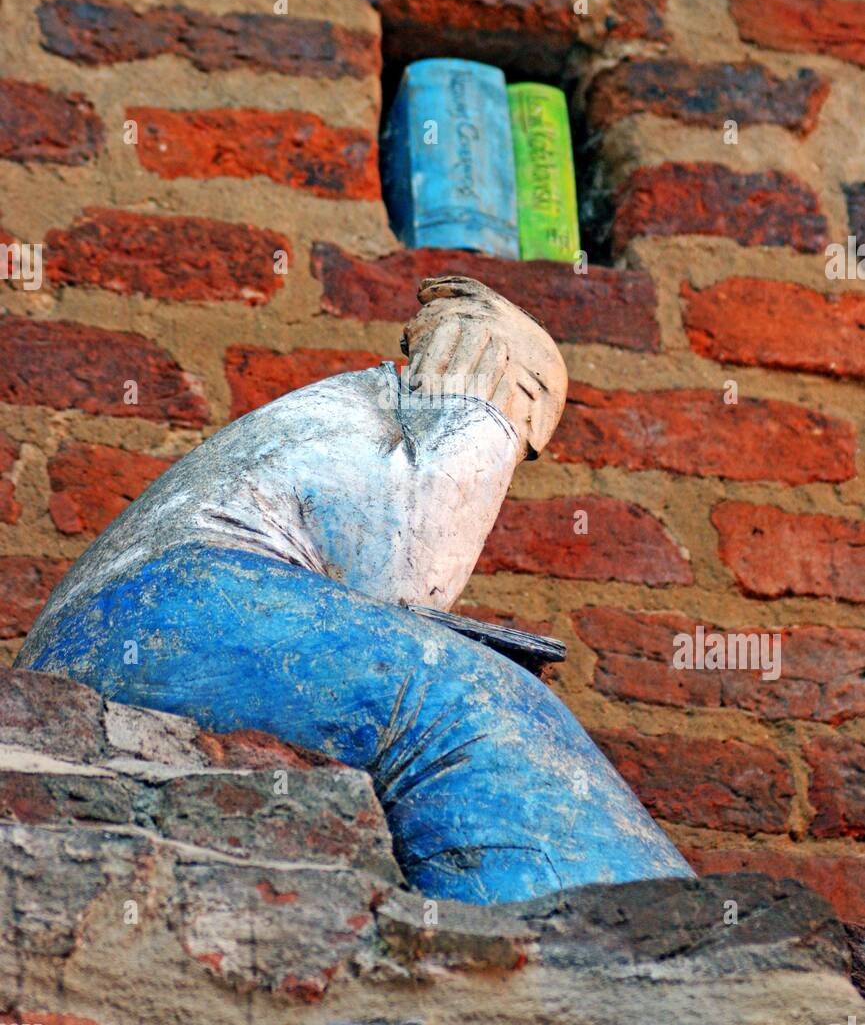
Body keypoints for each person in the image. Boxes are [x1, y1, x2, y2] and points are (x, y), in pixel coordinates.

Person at [17, 275, 692, 904]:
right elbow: (402, 578)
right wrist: (485, 424)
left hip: (111, 630)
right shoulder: (475, 407)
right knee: (476, 707)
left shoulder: (340, 404)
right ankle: (609, 972)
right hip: (184, 609)